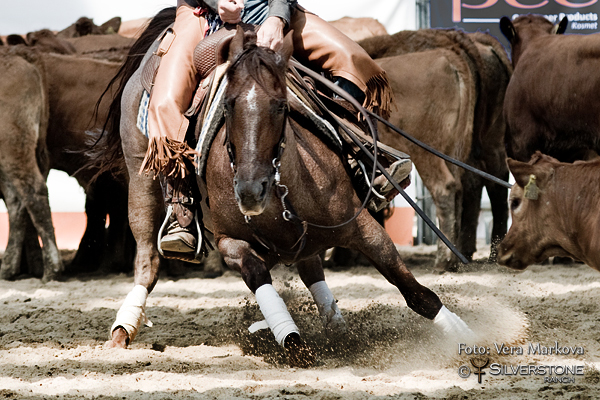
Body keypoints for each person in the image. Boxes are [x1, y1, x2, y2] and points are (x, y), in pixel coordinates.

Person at [145, 0, 410, 257]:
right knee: (165, 101)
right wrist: (217, 3)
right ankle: (181, 206)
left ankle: (359, 160)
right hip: (203, 14)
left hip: (271, 10)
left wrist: (277, 16)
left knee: (353, 60)